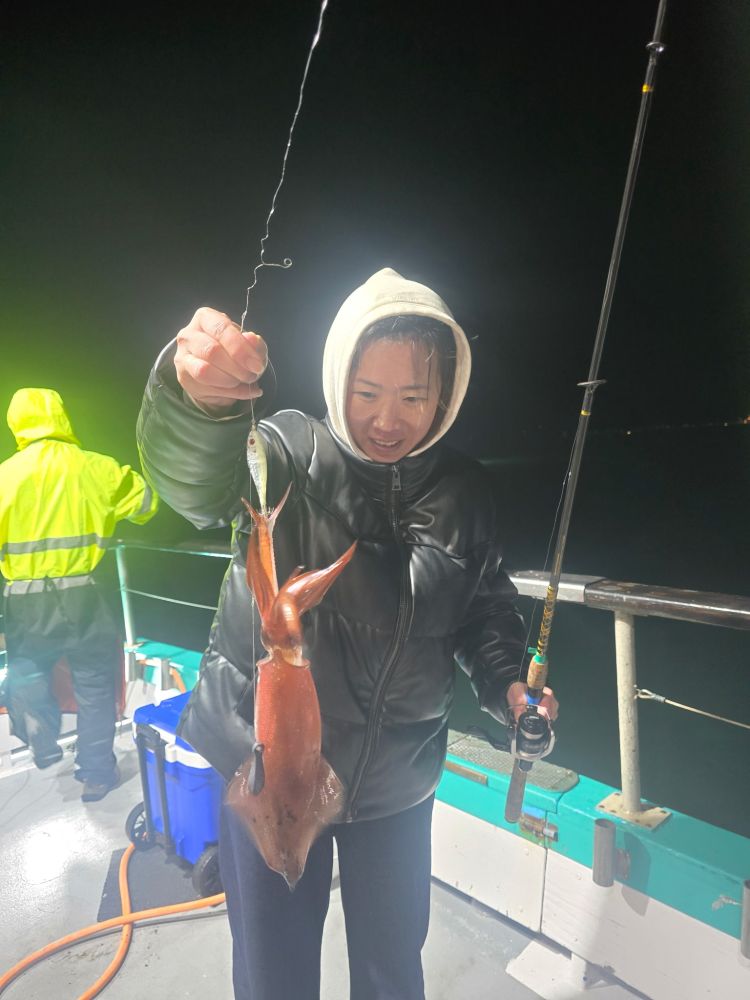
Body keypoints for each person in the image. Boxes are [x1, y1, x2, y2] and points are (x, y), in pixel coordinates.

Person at [137, 268, 558, 1000]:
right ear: (339, 381)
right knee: (275, 976)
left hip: (398, 780)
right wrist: (195, 403)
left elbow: (484, 610)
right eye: (367, 394)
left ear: (446, 395)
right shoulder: (288, 447)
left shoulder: (467, 491)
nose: (387, 420)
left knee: (394, 973)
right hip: (267, 771)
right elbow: (198, 483)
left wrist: (507, 685)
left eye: (413, 397)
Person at [0, 388, 159, 800]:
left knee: (27, 670)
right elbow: (146, 504)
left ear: (16, 423)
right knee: (94, 685)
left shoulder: (5, 475)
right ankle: (97, 774)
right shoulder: (94, 467)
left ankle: (37, 727)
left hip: (24, 599)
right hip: (85, 596)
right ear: (61, 416)